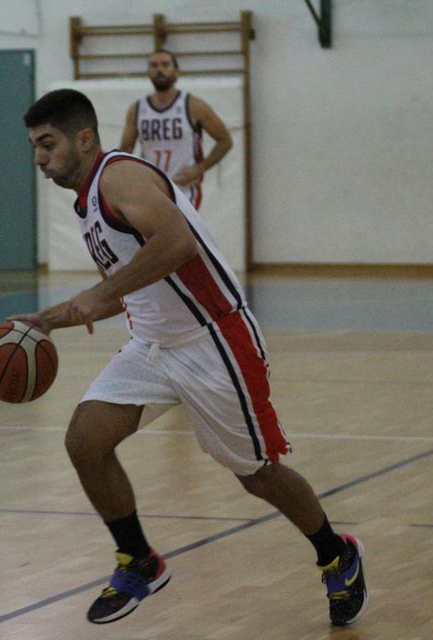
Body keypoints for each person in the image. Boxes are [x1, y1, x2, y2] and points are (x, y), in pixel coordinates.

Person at [18, 89, 368, 627]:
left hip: (214, 340)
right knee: (85, 441)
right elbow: (126, 288)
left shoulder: (119, 177)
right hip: (152, 346)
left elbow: (177, 243)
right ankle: (138, 560)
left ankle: (336, 554)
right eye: (35, 147)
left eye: (48, 144)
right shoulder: (87, 202)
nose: (39, 158)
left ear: (84, 139)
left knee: (256, 474)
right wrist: (52, 318)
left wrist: (98, 293)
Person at [119, 49, 233, 209]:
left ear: (176, 71)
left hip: (184, 190)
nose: (159, 69)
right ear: (148, 72)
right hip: (150, 190)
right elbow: (125, 150)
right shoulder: (137, 109)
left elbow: (225, 141)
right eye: (154, 65)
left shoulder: (193, 105)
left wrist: (199, 169)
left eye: (165, 65)